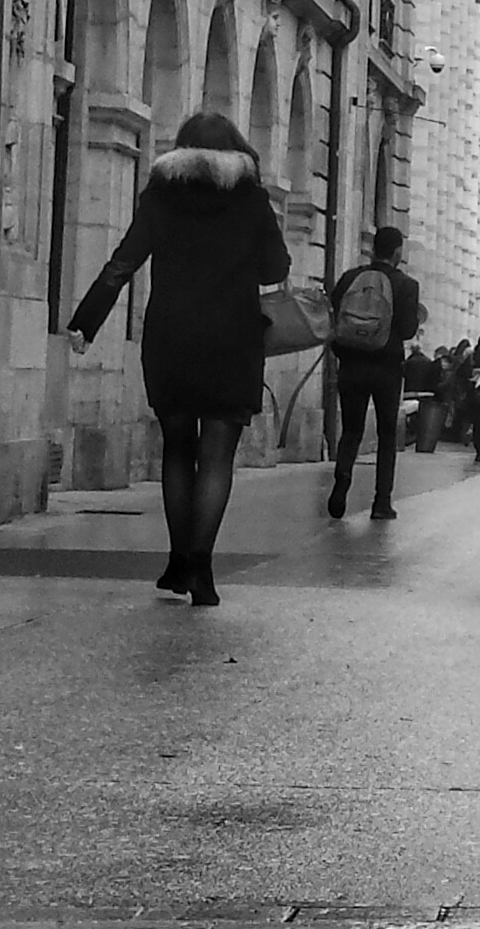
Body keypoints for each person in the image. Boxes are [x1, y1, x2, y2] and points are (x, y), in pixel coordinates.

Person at [65, 111, 288, 609]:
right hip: (233, 339)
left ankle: (177, 558)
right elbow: (276, 266)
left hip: (172, 337)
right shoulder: (251, 199)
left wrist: (86, 321)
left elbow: (124, 259)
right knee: (216, 458)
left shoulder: (161, 194)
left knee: (176, 450)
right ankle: (201, 569)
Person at [326, 225, 423, 521]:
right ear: (397, 252)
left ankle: (341, 483)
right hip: (386, 367)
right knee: (386, 435)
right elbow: (407, 330)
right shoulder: (406, 285)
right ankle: (382, 502)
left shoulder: (349, 279)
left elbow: (334, 312)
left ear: (372, 249)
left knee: (351, 431)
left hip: (352, 363)